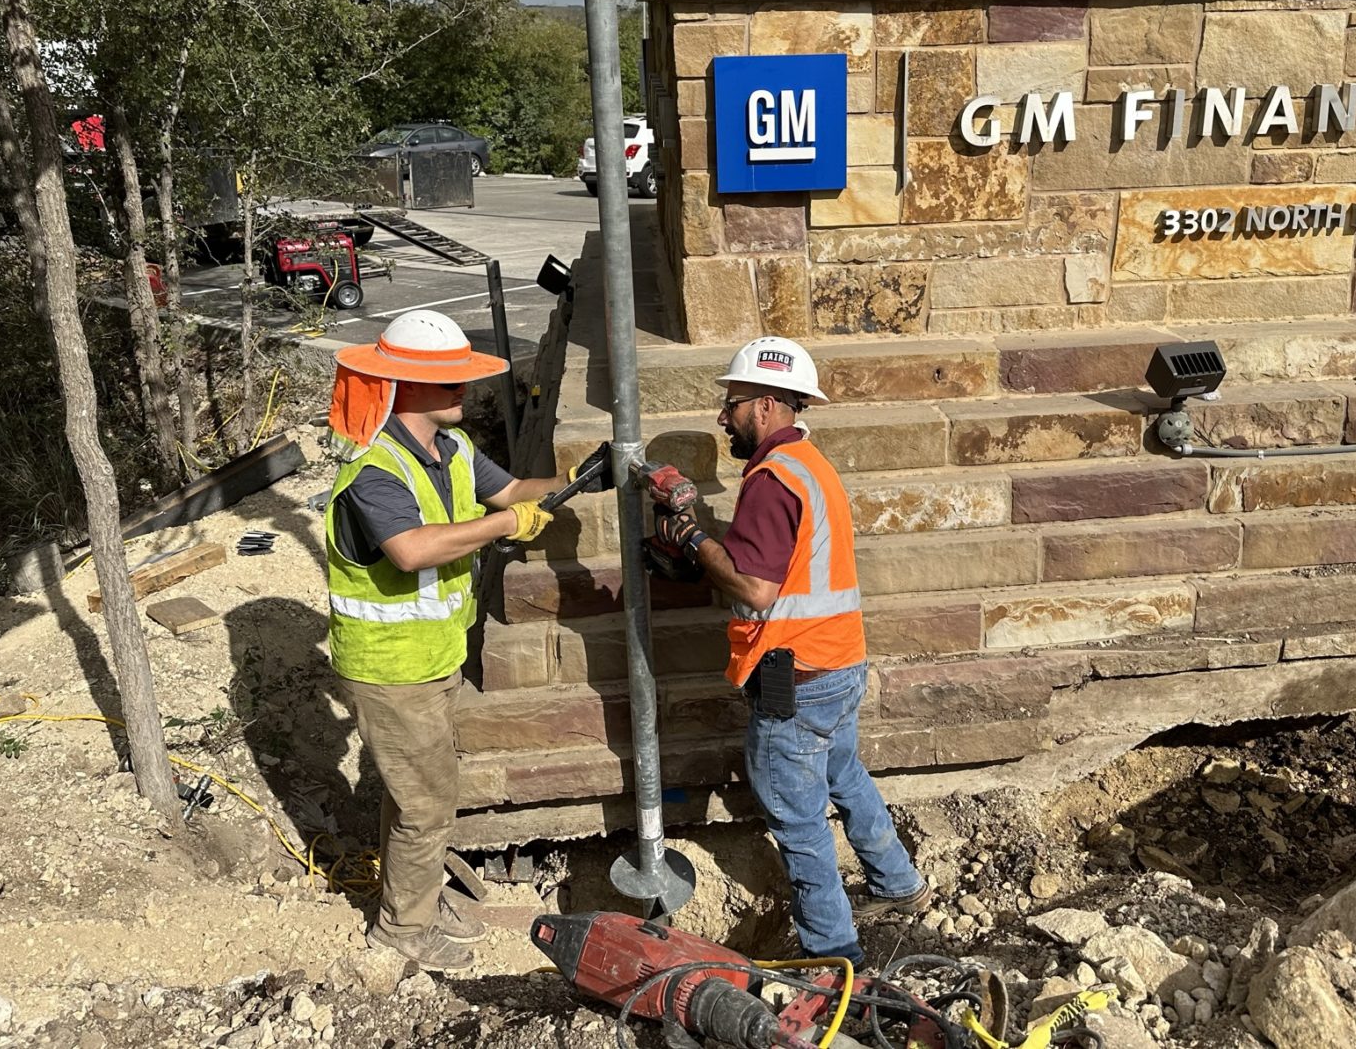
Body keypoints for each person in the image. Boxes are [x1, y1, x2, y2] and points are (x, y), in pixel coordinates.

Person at [324, 308, 610, 972]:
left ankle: (414, 899)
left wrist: (586, 479)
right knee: (424, 805)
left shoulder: (448, 451)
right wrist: (506, 523)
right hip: (389, 669)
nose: (463, 390)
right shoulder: (376, 469)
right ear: (410, 387)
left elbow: (511, 490)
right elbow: (411, 549)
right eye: (448, 380)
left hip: (432, 659)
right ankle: (401, 932)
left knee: (421, 794)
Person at [651, 337, 931, 967]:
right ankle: (898, 882)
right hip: (838, 660)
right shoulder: (808, 464)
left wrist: (693, 541)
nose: (724, 416)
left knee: (797, 817)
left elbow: (755, 585)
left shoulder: (773, 481)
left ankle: (834, 958)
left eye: (733, 402)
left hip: (792, 672)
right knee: (843, 774)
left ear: (767, 404)